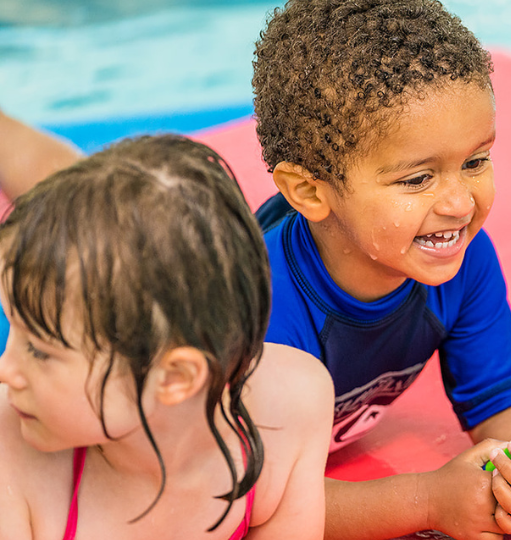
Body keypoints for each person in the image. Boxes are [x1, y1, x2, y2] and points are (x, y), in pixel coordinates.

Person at [251, 0, 511, 540]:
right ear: (310, 192)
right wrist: (428, 502)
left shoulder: (464, 262)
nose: (459, 204)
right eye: (418, 178)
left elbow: (500, 406)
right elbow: (257, 501)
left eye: (475, 162)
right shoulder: (260, 305)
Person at [0, 135, 334, 539]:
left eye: (38, 350)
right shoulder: (12, 459)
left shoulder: (290, 409)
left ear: (175, 377)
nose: (6, 370)